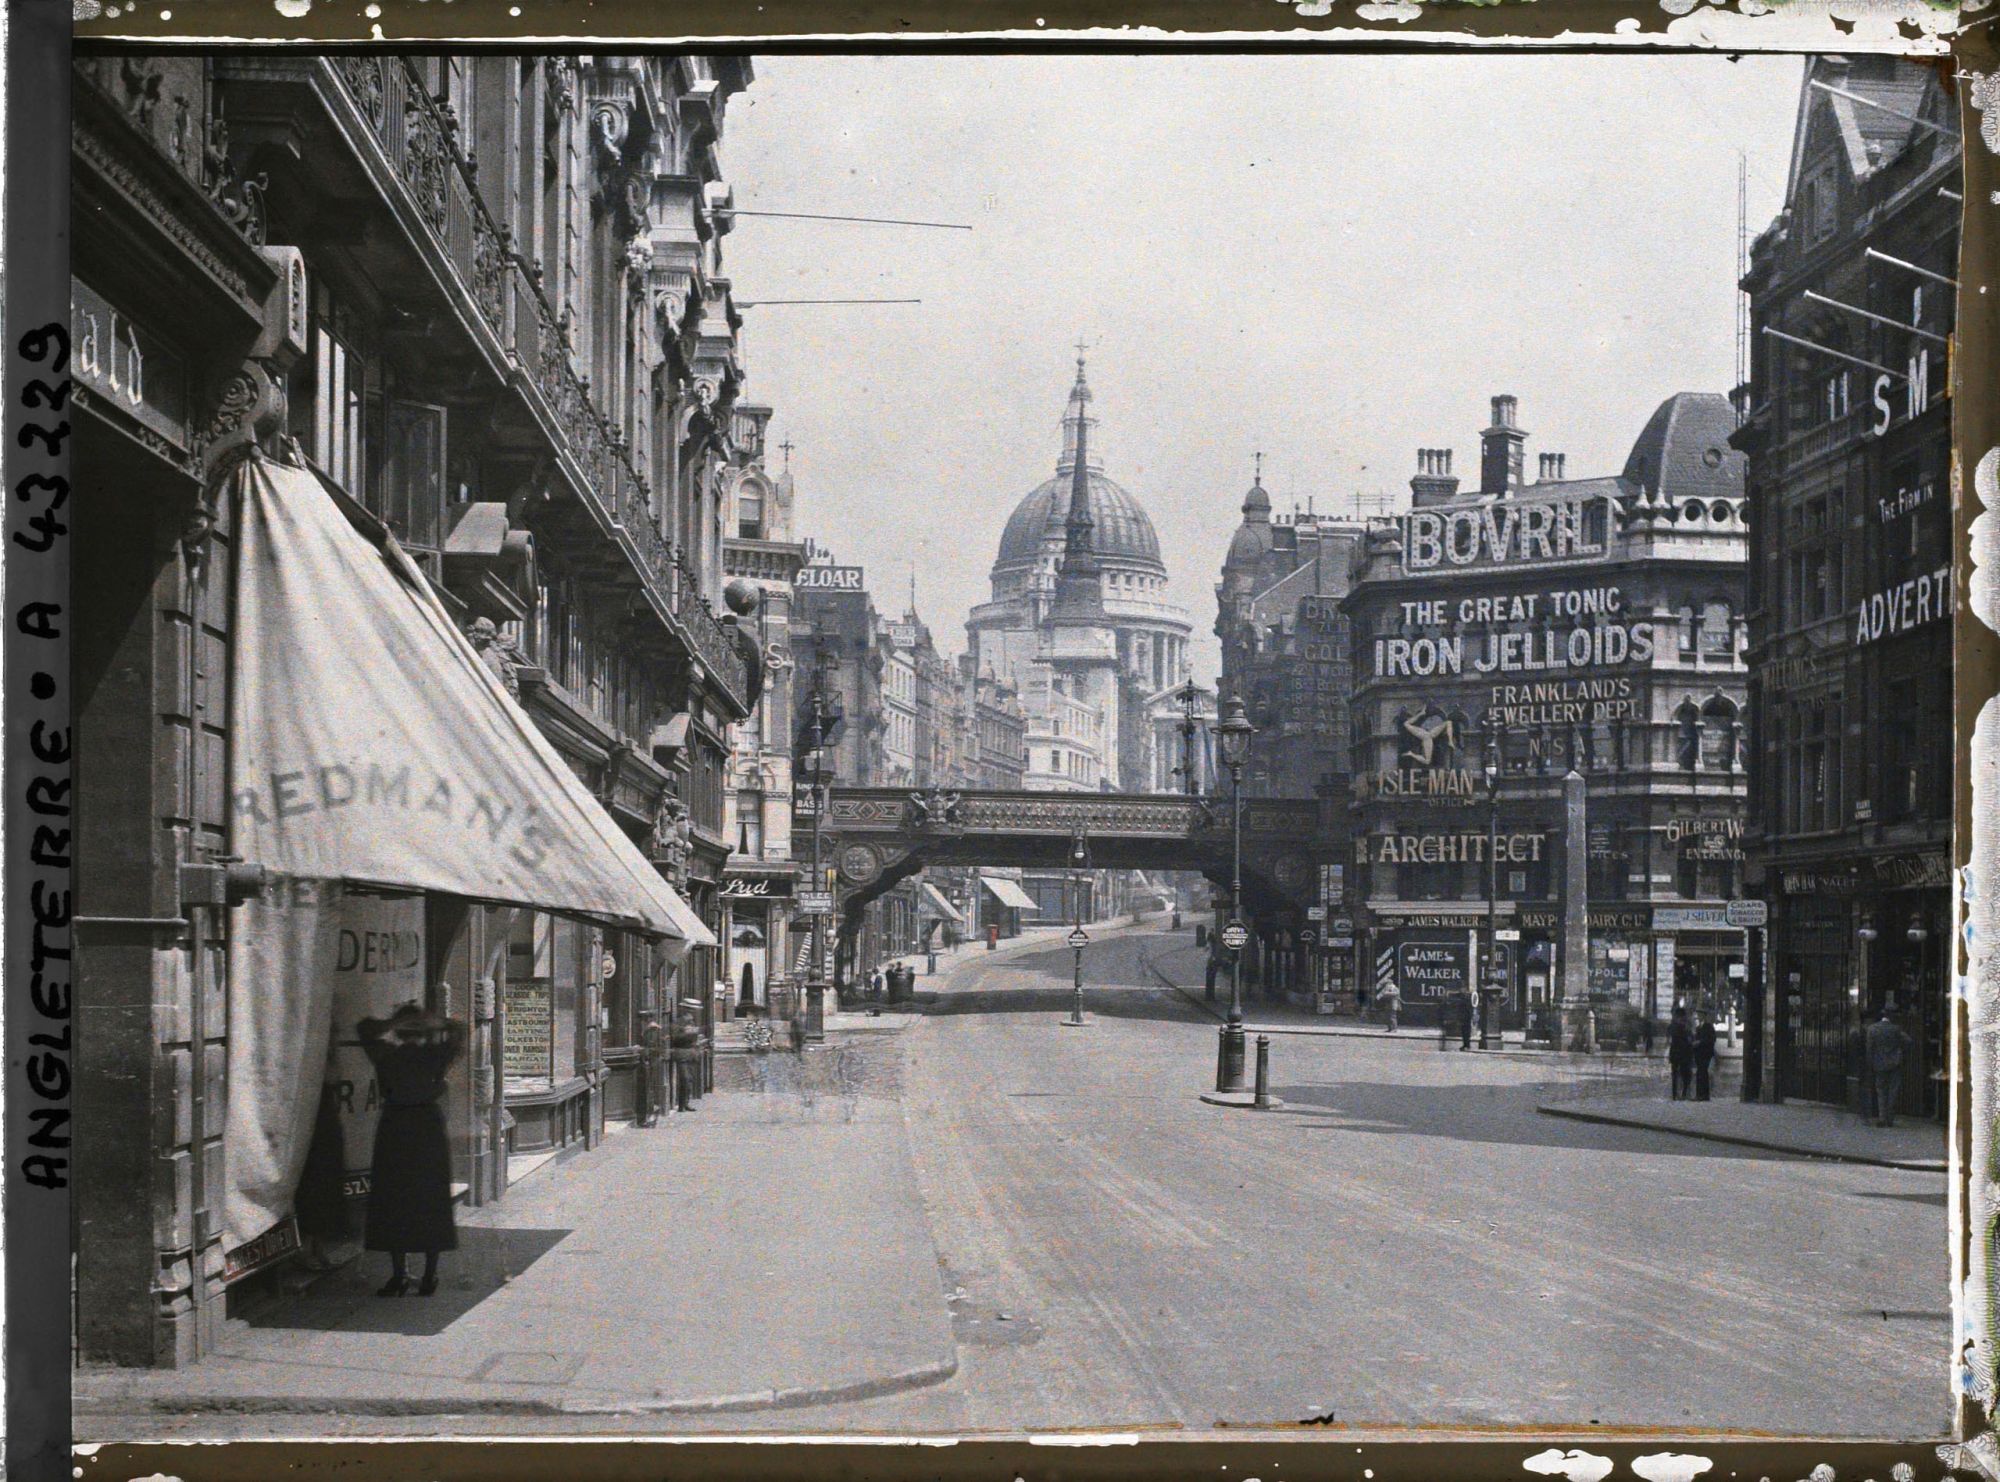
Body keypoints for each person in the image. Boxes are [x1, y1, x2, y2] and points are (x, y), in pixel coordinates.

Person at [357, 1001, 466, 1297]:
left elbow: (365, 1028)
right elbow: (459, 1030)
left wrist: (394, 1022)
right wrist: (430, 1022)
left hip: (396, 1126)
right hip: (425, 1127)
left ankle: (399, 1275)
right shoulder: (434, 1056)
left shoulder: (387, 1055)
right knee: (429, 1198)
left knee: (395, 1200)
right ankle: (429, 1276)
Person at [1864, 1004, 1917, 1128]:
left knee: (1881, 1091)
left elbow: (1869, 1049)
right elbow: (1909, 1041)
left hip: (1879, 1064)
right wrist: (1899, 1050)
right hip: (1895, 1064)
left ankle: (1882, 1118)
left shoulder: (1872, 1029)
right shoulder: (1896, 1029)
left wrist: (1870, 1063)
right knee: (1893, 1091)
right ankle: (1890, 1119)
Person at [637, 1015, 665, 1127]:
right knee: (651, 1089)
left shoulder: (652, 1031)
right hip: (652, 1063)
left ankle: (650, 1117)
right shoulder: (653, 1031)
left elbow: (655, 1048)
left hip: (652, 1063)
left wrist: (643, 1050)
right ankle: (651, 1116)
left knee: (650, 1089)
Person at [669, 1018, 701, 1112]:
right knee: (685, 1079)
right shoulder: (676, 1026)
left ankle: (686, 1103)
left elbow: (694, 1039)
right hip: (681, 1055)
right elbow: (675, 1040)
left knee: (690, 1080)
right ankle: (681, 1105)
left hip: (690, 1056)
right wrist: (687, 1033)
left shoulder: (691, 1025)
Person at [1667, 1006, 1694, 1100]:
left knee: (1679, 1075)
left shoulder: (1675, 1026)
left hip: (1678, 1054)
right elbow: (1689, 1040)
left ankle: (1678, 1094)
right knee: (1683, 1075)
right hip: (1683, 1054)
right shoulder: (1684, 1027)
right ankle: (1680, 1094)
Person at [1692, 1013, 1717, 1102]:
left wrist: (1700, 1042)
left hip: (1706, 1053)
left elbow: (1711, 1039)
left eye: (1701, 1015)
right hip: (1699, 1054)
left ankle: (1704, 1095)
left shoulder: (1708, 1027)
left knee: (1703, 1073)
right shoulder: (1699, 1027)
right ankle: (1700, 1094)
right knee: (1700, 1073)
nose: (1699, 1017)